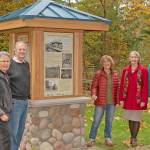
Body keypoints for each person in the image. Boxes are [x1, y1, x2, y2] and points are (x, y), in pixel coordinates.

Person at [87, 55, 119, 147]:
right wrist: (93, 94)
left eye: (108, 62)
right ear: (102, 64)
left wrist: (117, 102)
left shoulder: (115, 74)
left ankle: (107, 138)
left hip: (111, 103)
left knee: (109, 121)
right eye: (104, 62)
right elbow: (94, 86)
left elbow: (117, 89)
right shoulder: (98, 74)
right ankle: (91, 139)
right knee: (96, 121)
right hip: (100, 102)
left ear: (111, 63)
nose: (106, 63)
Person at [119, 51, 148, 147]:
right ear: (129, 58)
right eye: (131, 57)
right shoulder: (125, 70)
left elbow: (145, 86)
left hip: (138, 99)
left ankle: (134, 138)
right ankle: (132, 137)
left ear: (138, 59)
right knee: (130, 118)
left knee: (136, 118)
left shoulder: (144, 70)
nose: (133, 59)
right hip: (127, 98)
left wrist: (144, 100)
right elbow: (122, 85)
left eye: (135, 57)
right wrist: (121, 99)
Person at [8, 41, 30, 150]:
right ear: (14, 50)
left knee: (20, 131)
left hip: (25, 101)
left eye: (24, 49)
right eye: (19, 49)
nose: (22, 51)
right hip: (14, 102)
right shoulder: (9, 64)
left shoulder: (26, 64)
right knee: (13, 131)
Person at [0, 51, 12, 150]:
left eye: (7, 61)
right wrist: (1, 114)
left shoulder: (5, 75)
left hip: (6, 113)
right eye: (3, 61)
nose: (5, 63)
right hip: (2, 114)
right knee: (4, 141)